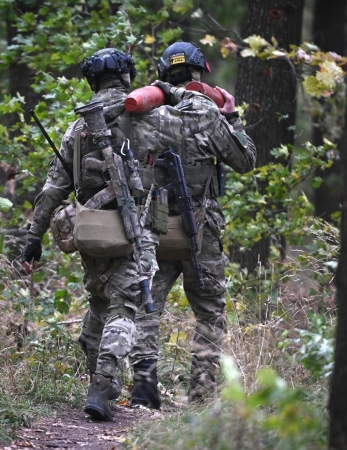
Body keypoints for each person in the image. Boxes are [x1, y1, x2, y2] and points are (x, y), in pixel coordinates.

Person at [22, 48, 228, 421]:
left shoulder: (78, 128)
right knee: (124, 308)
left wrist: (33, 237)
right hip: (137, 233)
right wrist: (174, 90)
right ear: (129, 77)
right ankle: (104, 387)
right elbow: (204, 122)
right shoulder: (153, 116)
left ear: (91, 81)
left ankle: (99, 383)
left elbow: (53, 188)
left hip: (92, 231)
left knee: (100, 305)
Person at [77, 42, 257, 408]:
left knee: (147, 304)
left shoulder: (149, 114)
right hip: (202, 230)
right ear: (200, 73)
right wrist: (233, 117)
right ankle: (202, 395)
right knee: (208, 310)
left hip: (154, 223)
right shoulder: (206, 116)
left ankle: (144, 388)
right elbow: (246, 160)